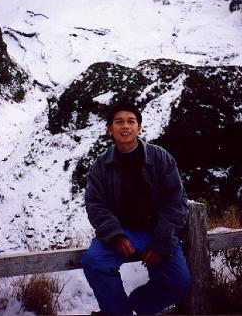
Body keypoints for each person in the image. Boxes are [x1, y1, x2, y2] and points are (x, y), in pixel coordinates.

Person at [82, 100, 191, 315]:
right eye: (119, 122)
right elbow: (96, 205)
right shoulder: (101, 165)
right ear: (109, 129)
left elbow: (176, 202)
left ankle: (139, 306)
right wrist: (116, 236)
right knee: (94, 262)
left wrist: (161, 243)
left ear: (139, 127)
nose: (125, 126)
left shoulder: (160, 158)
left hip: (158, 230)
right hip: (123, 232)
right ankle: (118, 312)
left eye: (131, 121)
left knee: (178, 281)